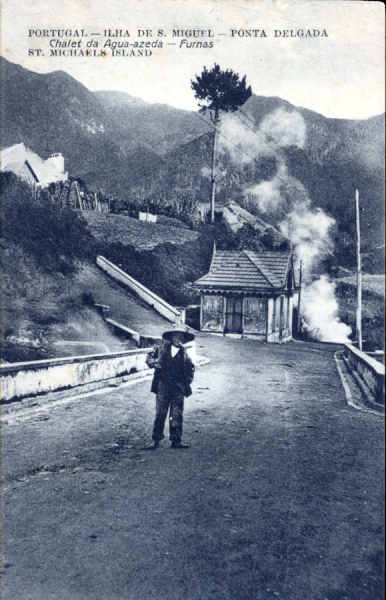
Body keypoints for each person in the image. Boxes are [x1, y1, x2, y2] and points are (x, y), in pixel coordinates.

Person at [145, 326, 195, 450]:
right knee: (160, 413)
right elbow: (149, 359)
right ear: (171, 337)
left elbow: (191, 368)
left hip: (178, 387)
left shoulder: (184, 353)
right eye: (176, 336)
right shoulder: (160, 348)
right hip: (163, 386)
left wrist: (186, 382)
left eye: (181, 337)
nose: (179, 339)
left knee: (176, 414)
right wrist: (154, 363)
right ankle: (155, 440)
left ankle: (176, 441)